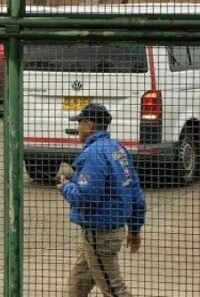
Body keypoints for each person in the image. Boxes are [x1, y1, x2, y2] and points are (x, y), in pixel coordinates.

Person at [58, 103, 146, 297]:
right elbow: (135, 193)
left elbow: (85, 196)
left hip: (100, 233)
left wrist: (65, 187)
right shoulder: (117, 149)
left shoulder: (94, 154)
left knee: (114, 290)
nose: (77, 128)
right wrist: (134, 228)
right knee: (78, 283)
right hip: (106, 231)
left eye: (80, 123)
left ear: (89, 125)